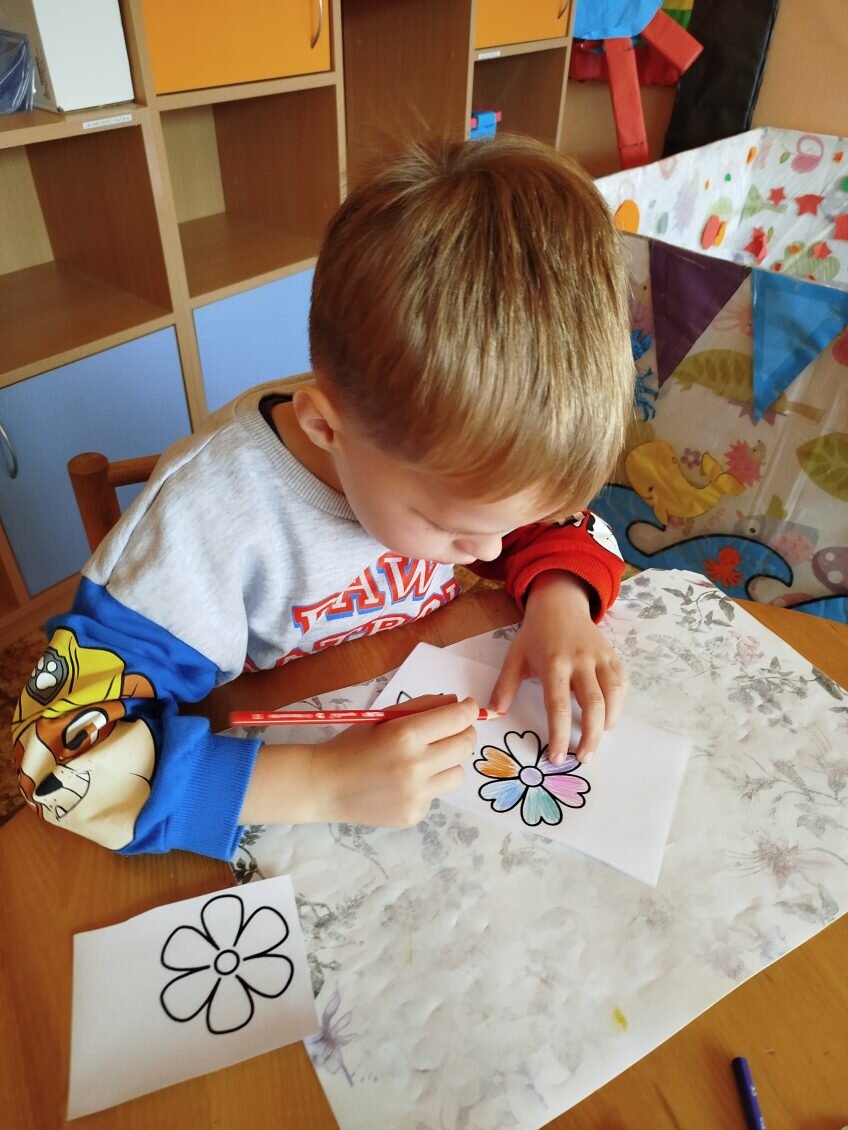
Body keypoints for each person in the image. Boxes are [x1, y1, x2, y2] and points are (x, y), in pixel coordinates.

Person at [12, 134, 634, 860]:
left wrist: (560, 602)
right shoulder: (211, 520)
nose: (490, 551)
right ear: (323, 427)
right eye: (447, 525)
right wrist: (319, 784)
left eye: (513, 522)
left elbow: (548, 526)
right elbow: (57, 762)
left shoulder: (433, 459)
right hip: (280, 775)